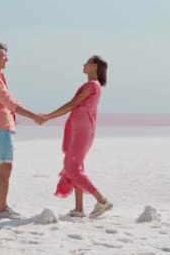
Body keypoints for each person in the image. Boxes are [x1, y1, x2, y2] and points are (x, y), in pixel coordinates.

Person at [0, 40, 45, 220]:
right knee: (5, 167)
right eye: (3, 56)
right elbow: (11, 103)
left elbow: (10, 101)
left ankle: (2, 206)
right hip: (1, 128)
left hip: (3, 127)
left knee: (4, 167)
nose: (7, 59)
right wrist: (35, 117)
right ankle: (1, 210)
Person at [43, 55, 113, 218]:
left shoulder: (91, 85)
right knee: (76, 166)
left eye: (87, 62)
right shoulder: (92, 85)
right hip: (79, 129)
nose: (83, 64)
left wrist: (48, 116)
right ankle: (79, 209)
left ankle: (102, 201)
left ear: (94, 66)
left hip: (83, 129)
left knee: (72, 168)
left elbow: (72, 104)